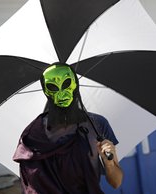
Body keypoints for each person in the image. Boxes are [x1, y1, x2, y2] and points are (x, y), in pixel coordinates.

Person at [13, 63, 123, 194]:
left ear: (75, 84)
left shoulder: (97, 124)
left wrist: (109, 163)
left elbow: (116, 182)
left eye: (66, 83)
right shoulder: (34, 134)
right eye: (53, 87)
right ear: (46, 91)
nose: (61, 93)